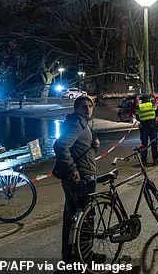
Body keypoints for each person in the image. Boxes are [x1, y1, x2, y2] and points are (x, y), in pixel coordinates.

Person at [53, 95, 99, 263]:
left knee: (73, 216)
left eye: (90, 106)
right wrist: (72, 169)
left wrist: (93, 144)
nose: (88, 109)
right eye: (83, 106)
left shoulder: (83, 123)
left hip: (82, 173)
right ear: (76, 109)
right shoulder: (76, 124)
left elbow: (77, 146)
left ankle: (70, 256)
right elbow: (60, 146)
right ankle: (86, 256)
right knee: (86, 217)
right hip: (81, 176)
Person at [137, 94, 158, 165]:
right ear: (148, 99)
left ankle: (143, 160)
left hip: (143, 127)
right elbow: (156, 113)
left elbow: (137, 117)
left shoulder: (139, 106)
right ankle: (155, 159)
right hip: (152, 126)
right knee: (154, 142)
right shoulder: (152, 105)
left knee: (144, 144)